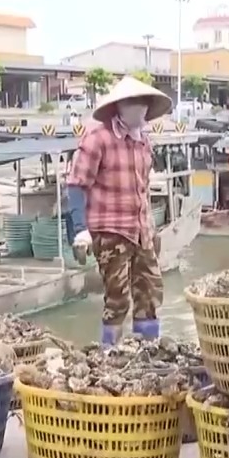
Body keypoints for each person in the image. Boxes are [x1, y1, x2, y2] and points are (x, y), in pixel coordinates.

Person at [66, 76, 171, 346]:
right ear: (119, 107)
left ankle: (148, 349)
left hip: (141, 231)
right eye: (134, 102)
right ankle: (109, 352)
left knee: (150, 293)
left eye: (144, 103)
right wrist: (81, 230)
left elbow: (143, 189)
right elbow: (77, 185)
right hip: (110, 231)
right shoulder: (97, 139)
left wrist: (151, 229)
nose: (140, 108)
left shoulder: (143, 141)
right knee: (118, 298)